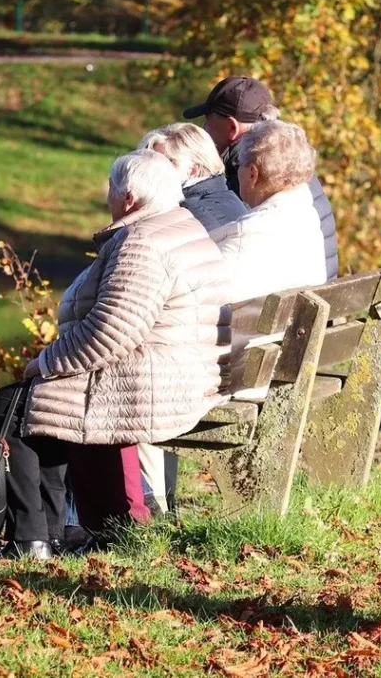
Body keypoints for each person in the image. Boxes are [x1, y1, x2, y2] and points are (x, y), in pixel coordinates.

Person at [0, 149, 231, 560]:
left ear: (128, 198)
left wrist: (44, 362)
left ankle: (32, 540)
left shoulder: (143, 243)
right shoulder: (177, 226)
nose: (108, 198)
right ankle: (52, 534)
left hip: (153, 380)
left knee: (10, 408)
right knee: (41, 405)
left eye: (111, 190)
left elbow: (110, 332)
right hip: (176, 369)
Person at [135, 122, 244, 516]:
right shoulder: (229, 204)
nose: (149, 175)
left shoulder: (185, 221)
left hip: (217, 369)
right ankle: (158, 502)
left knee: (132, 383)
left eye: (160, 165)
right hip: (241, 356)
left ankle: (152, 510)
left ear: (193, 170)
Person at [182, 76, 339, 280]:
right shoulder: (291, 159)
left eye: (208, 123)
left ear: (232, 127)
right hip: (316, 288)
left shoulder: (247, 169)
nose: (204, 130)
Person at [216, 120, 326, 325]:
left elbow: (206, 303)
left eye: (239, 164)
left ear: (252, 173)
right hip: (288, 341)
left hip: (250, 351)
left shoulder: (249, 233)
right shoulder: (306, 215)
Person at [138, 123, 247, 235]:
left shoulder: (185, 214)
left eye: (165, 163)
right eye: (149, 162)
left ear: (193, 170)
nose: (151, 170)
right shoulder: (227, 197)